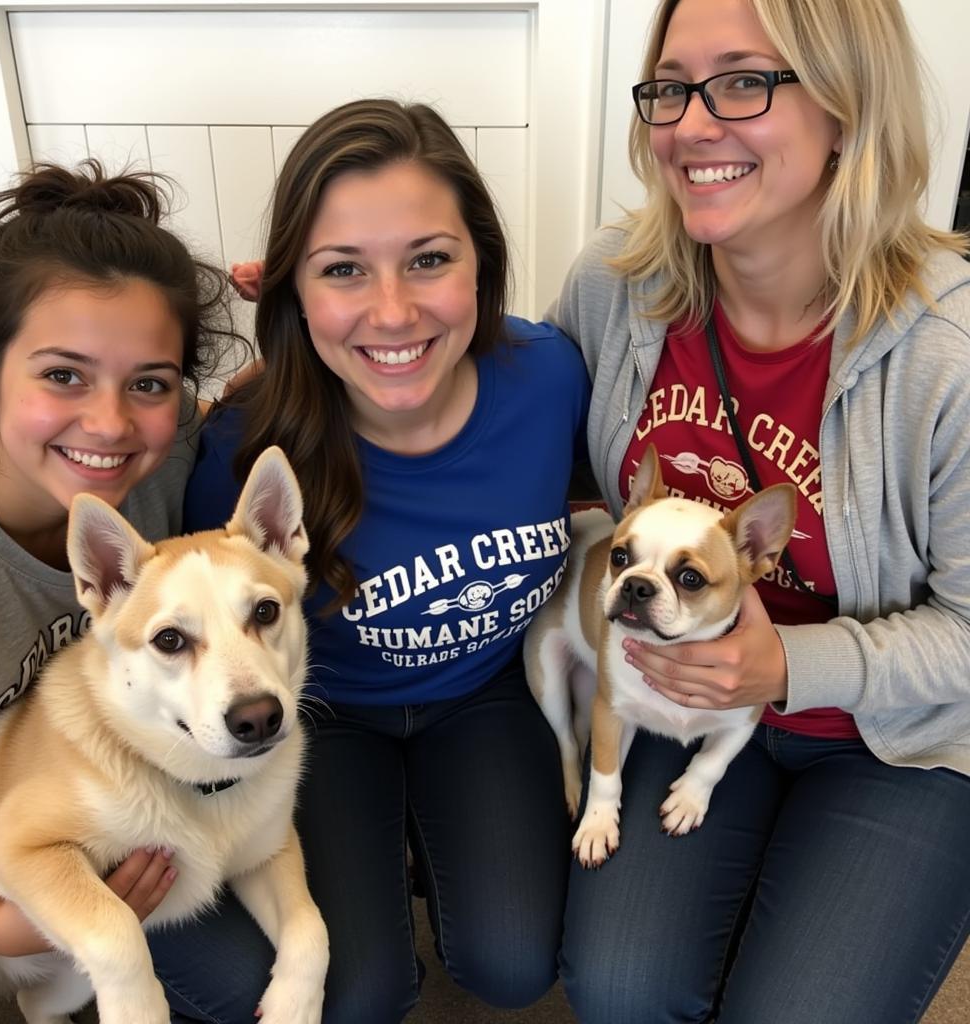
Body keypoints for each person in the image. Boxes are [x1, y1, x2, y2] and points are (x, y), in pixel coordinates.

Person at [547, 0, 970, 1021]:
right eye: (670, 86)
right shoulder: (616, 285)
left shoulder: (946, 354)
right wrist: (308, 358)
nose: (691, 125)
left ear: (844, 108)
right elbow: (514, 426)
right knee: (617, 989)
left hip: (894, 737)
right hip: (675, 696)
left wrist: (789, 665)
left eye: (743, 80)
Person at [184, 98, 590, 1022]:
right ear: (292, 290)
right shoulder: (244, 460)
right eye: (343, 271)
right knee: (358, 995)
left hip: (488, 692)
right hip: (325, 719)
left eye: (430, 259)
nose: (394, 311)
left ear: (481, 263)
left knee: (513, 964)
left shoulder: (552, 376)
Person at [0, 160, 274, 1023]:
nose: (109, 423)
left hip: (97, 810)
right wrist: (6, 925)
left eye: (149, 383)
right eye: (63, 374)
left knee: (245, 980)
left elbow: (263, 406)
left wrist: (310, 305)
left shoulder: (162, 467)